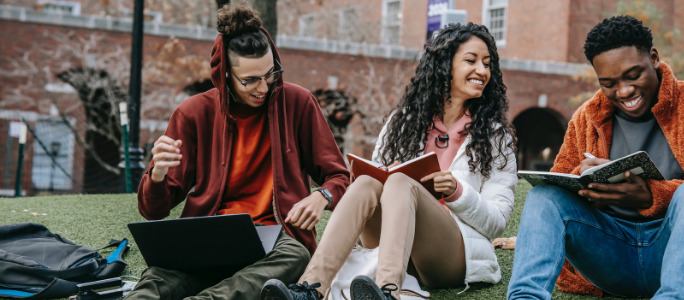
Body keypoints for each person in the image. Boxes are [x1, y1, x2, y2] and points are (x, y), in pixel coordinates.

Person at [507, 15, 684, 299]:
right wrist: (583, 175)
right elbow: (561, 181)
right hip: (613, 259)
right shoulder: (586, 117)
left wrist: (653, 196)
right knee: (545, 197)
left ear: (653, 58)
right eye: (609, 83)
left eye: (633, 75)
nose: (624, 91)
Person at [260, 23, 518, 300]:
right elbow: (377, 184)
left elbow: (497, 221)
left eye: (487, 64)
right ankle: (310, 289)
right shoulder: (403, 122)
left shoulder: (494, 136)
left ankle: (388, 291)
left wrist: (457, 192)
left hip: (451, 255)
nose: (482, 71)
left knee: (400, 181)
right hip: (391, 243)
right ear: (445, 65)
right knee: (367, 182)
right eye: (471, 60)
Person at [125, 4, 350, 300]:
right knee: (158, 278)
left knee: (296, 256)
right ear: (226, 74)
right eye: (250, 80)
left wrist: (322, 196)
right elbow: (153, 211)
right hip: (208, 236)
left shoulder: (299, 103)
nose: (264, 87)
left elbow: (339, 176)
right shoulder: (193, 113)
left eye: (271, 74)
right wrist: (157, 174)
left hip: (276, 239)